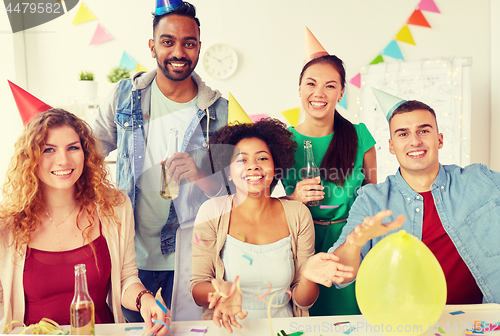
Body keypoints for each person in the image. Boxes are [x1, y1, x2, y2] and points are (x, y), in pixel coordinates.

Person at [91, 1, 228, 321]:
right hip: (129, 262)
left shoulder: (216, 110)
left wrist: (197, 173)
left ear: (198, 48)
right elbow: (87, 155)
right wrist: (101, 199)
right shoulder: (124, 96)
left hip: (191, 260)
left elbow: (225, 194)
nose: (179, 51)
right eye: (168, 42)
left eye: (188, 43)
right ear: (152, 47)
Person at [0, 109, 170, 335]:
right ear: (31, 157)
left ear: (86, 153)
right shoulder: (8, 224)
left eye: (73, 147)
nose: (63, 160)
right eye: (48, 149)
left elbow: (127, 278)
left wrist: (144, 299)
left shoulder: (115, 207)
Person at [331, 95, 500, 304]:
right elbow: (341, 276)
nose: (415, 141)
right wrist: (353, 244)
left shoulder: (480, 179)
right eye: (403, 134)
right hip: (408, 327)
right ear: (391, 146)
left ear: (439, 139)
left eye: (424, 130)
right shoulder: (371, 200)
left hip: (482, 323)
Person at [190, 118, 354, 333]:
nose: (253, 165)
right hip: (228, 329)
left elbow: (303, 301)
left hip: (284, 329)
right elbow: (197, 290)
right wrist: (224, 289)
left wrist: (308, 277)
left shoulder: (298, 214)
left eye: (262, 158)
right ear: (228, 171)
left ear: (275, 167)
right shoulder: (212, 213)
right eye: (241, 160)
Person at [281, 32, 377, 316]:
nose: (319, 93)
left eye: (330, 85)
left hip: (351, 245)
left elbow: (375, 196)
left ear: (341, 93)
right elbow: (259, 203)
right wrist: (293, 197)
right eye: (311, 83)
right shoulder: (283, 141)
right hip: (302, 248)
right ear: (299, 88)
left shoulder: (360, 137)